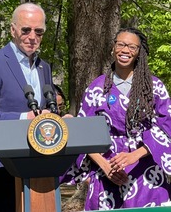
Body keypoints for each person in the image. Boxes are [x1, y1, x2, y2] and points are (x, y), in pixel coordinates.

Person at [60, 27, 171, 210]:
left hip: (145, 174)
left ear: (138, 52)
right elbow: (82, 133)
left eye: (132, 47)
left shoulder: (154, 86)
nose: (125, 50)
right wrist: (105, 165)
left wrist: (133, 156)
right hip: (107, 172)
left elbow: (167, 127)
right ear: (113, 48)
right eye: (121, 44)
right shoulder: (96, 87)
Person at [0, 2, 55, 211]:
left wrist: (59, 120)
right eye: (26, 30)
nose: (32, 36)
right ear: (13, 29)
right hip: (1, 168)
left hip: (39, 166)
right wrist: (23, 119)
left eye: (39, 31)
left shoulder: (44, 67)